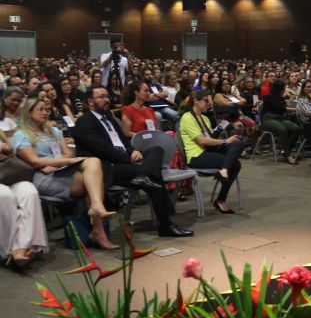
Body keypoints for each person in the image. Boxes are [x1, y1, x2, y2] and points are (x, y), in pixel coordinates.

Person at [72, 86, 193, 237]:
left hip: (125, 161)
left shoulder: (109, 119)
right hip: (108, 167)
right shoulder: (84, 122)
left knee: (156, 150)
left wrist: (133, 151)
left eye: (107, 96)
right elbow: (102, 150)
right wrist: (128, 158)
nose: (107, 100)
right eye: (101, 97)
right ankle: (165, 224)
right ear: (90, 102)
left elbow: (123, 142)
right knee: (155, 178)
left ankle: (144, 176)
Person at [12, 97, 118, 250]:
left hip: (60, 170)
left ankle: (96, 209)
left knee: (94, 162)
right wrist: (63, 162)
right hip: (43, 176)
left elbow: (68, 153)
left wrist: (59, 163)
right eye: (40, 109)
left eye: (47, 110)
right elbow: (34, 161)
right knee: (94, 181)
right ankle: (98, 228)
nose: (45, 113)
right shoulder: (21, 135)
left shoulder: (53, 130)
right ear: (28, 113)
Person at [179, 90, 246, 213]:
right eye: (206, 101)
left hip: (208, 151)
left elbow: (209, 139)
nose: (209, 104)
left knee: (239, 143)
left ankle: (224, 170)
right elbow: (202, 141)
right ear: (196, 101)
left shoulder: (204, 118)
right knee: (235, 164)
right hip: (196, 156)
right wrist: (225, 141)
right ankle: (221, 199)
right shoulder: (187, 117)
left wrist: (219, 129)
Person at [0, 133, 48, 268]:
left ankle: (26, 246)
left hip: (8, 174)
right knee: (4, 195)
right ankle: (9, 249)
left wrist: (8, 149)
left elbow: (14, 153)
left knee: (29, 192)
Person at [259, 79, 301, 164]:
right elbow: (280, 109)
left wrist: (284, 100)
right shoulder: (268, 97)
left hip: (279, 119)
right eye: (283, 89)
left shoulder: (280, 98)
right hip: (267, 119)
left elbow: (282, 110)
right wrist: (285, 103)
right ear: (279, 89)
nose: (284, 90)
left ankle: (285, 149)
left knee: (296, 128)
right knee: (282, 130)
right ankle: (288, 154)